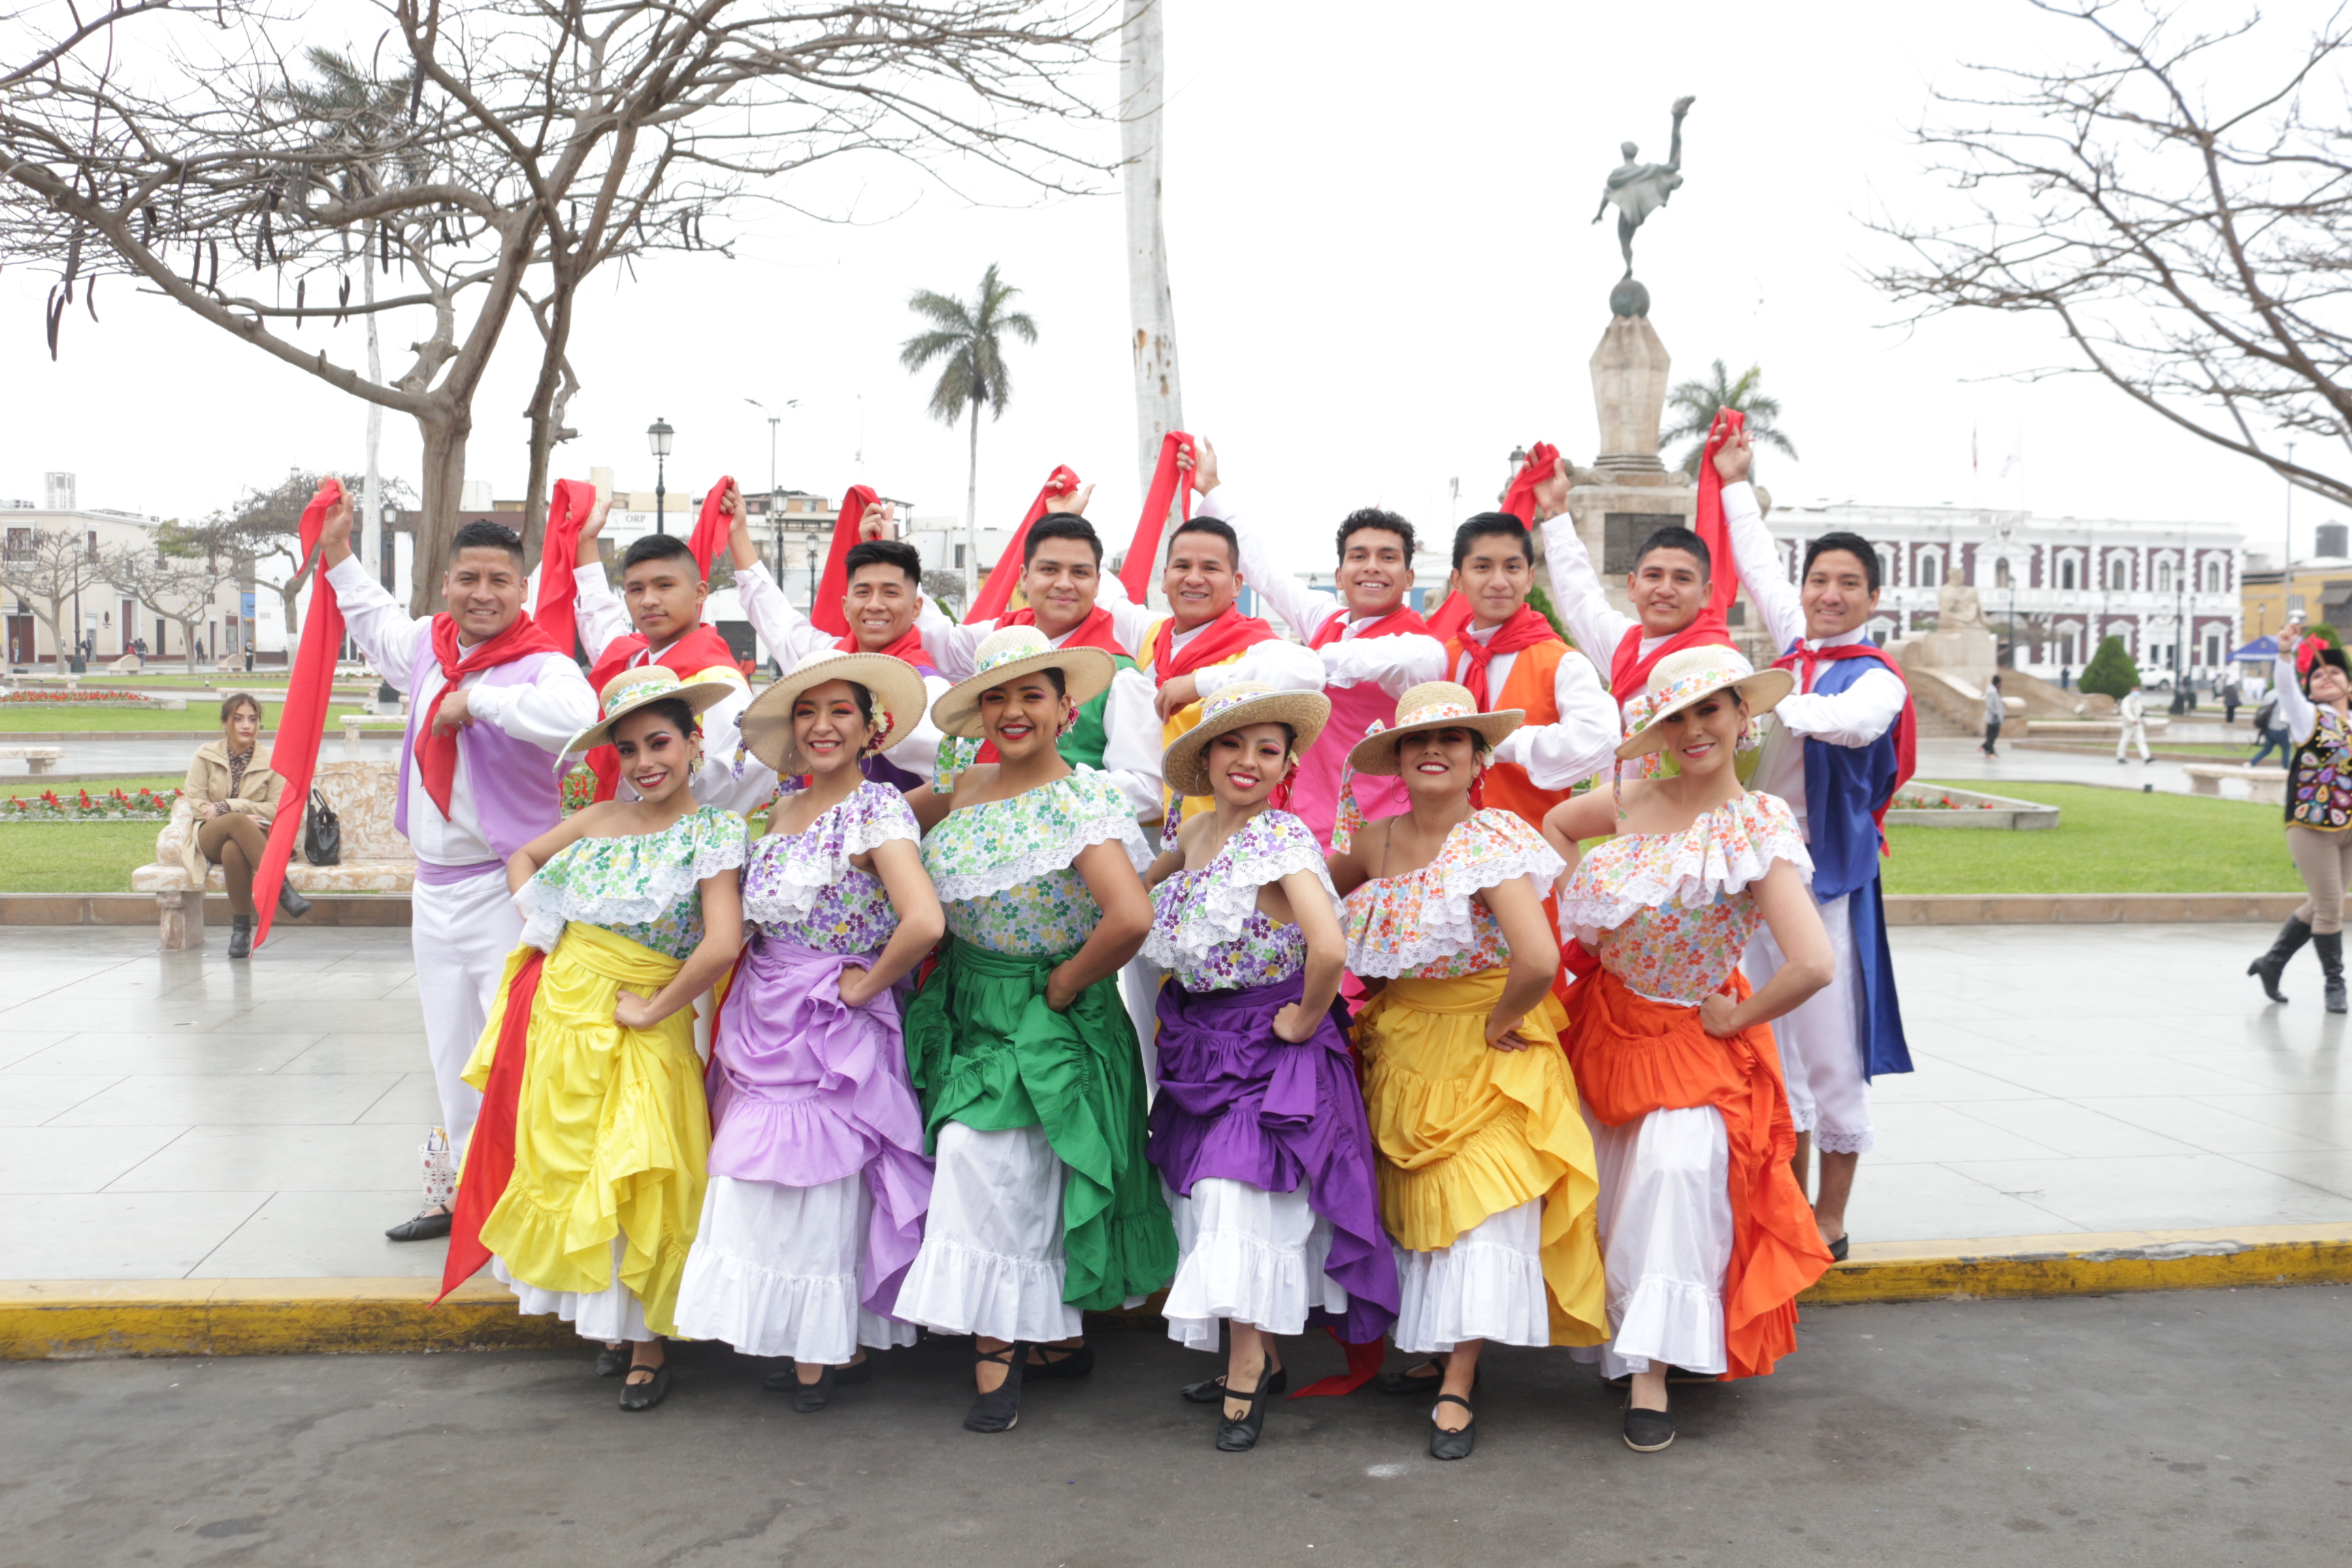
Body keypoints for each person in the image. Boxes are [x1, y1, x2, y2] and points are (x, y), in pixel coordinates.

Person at [1545, 647, 1838, 1454]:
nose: (1695, 729)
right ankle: (1622, 1338)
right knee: (1611, 1181)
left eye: (1711, 710)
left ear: (1746, 717)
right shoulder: (1629, 798)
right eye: (1676, 715)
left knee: (1674, 1177)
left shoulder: (1757, 826)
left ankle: (1650, 1375)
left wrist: (1732, 1021)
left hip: (1691, 1039)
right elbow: (1554, 826)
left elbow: (1814, 962)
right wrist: (1591, 924)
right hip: (1604, 1023)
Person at [895, 627, 1176, 1433]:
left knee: (984, 1163)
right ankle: (1045, 1338)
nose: (1013, 711)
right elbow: (871, 837)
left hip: (1046, 1012)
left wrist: (1059, 988)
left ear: (1065, 707)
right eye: (996, 696)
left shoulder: (1082, 798)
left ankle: (998, 1350)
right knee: (1010, 1175)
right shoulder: (960, 781)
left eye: (1031, 694)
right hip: (963, 1003)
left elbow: (1130, 917)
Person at [1329, 682, 1605, 1463]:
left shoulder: (1490, 839)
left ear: (1478, 757)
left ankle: (1459, 1376)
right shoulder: (1372, 843)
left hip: (1491, 1047)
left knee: (1482, 1211)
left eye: (1453, 739)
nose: (1435, 751)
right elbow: (1306, 904)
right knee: (1423, 1209)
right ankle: (1432, 1348)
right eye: (1419, 741)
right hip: (1405, 1044)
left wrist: (1497, 1021)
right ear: (1397, 758)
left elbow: (1540, 958)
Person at [456, 666, 745, 1409]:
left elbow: (721, 942)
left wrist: (656, 1009)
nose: (646, 762)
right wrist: (544, 924)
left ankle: (650, 1341)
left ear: (693, 742)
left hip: (646, 1015)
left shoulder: (713, 830)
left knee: (646, 1165)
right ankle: (609, 1325)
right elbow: (523, 857)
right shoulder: (595, 821)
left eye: (660, 743)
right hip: (564, 1013)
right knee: (578, 1160)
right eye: (629, 750)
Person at [321, 493, 600, 1243]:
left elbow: (580, 720)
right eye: (469, 579)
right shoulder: (426, 645)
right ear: (446, 583)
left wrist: (479, 702)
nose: (483, 595)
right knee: (448, 1053)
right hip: (433, 888)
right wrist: (341, 552)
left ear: (521, 590)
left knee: (517, 1053)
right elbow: (373, 622)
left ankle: (528, 1202)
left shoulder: (543, 663)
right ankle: (459, 1197)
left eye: (499, 582)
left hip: (506, 887)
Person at [672, 649, 943, 1409]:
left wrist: (864, 985)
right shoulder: (777, 810)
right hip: (762, 1013)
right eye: (807, 712)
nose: (822, 726)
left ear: (869, 727)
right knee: (756, 1177)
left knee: (824, 1184)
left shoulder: (877, 808)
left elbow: (922, 921)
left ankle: (824, 1348)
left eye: (840, 712)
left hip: (831, 1023)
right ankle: (789, 1331)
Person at [1142, 685, 1398, 1452]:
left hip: (1269, 1049)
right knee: (1201, 1197)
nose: (1249, 762)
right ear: (1208, 756)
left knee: (1234, 1197)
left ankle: (1247, 1366)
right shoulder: (1192, 833)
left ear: (1287, 764)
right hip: (1199, 1041)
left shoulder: (1282, 838)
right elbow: (1136, 895)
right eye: (1233, 745)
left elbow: (1328, 945)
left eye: (1268, 749)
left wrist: (1306, 1019)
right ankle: (1266, 1354)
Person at [1722, 461, 1916, 1259]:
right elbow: (1757, 561)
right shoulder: (1794, 652)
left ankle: (1830, 1221)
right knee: (1773, 1052)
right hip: (1755, 876)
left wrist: (1753, 701)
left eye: (1849, 584)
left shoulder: (1876, 683)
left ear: (1873, 600)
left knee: (1830, 1055)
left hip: (1827, 881)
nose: (1829, 594)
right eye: (1819, 580)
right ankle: (1787, 1209)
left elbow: (1850, 726)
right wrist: (1735, 484)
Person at [1181, 440, 1446, 849]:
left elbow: (1330, 664)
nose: (1372, 566)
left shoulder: (1421, 650)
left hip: (1374, 837)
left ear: (1409, 578)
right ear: (1340, 575)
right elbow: (1268, 575)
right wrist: (1213, 488)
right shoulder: (1329, 621)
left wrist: (1204, 681)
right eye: (1359, 556)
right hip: (1295, 822)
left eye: (1388, 557)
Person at [913, 497, 1164, 822]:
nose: (1064, 583)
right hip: (978, 829)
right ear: (1024, 578)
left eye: (1079, 572)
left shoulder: (1120, 675)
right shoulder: (997, 638)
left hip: (1070, 853)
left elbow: (1146, 791)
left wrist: (1034, 798)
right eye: (1049, 569)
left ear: (1098, 583)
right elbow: (933, 635)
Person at [723, 483, 951, 793]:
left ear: (916, 609)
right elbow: (777, 620)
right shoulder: (827, 661)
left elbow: (954, 774)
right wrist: (737, 534)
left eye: (890, 592)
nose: (874, 604)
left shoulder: (928, 691)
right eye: (863, 592)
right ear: (846, 607)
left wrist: (883, 818)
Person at [1539, 452, 1742, 770]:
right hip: (1612, 815)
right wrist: (1554, 510)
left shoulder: (1721, 661)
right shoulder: (1626, 645)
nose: (1665, 589)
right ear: (1633, 586)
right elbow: (1580, 596)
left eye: (1682, 579)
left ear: (1706, 595)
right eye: (1654, 576)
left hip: (1686, 818)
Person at [571, 502, 768, 813]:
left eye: (664, 586)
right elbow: (599, 623)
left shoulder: (718, 681)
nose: (649, 600)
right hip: (630, 833)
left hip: (692, 841)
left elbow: (745, 772)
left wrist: (662, 815)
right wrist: (585, 543)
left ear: (700, 593)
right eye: (636, 590)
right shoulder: (632, 659)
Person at [1433, 503, 1618, 829]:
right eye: (1483, 567)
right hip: (1443, 852)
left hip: (1530, 855)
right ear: (1458, 580)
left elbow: (1600, 738)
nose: (1499, 581)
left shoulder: (1561, 662)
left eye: (1513, 568)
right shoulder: (1441, 660)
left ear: (1530, 578)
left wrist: (1501, 744)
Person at [2249, 628, 2352, 1013]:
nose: (2326, 678)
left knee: (2326, 901)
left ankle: (2271, 964)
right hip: (2312, 825)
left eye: (2335, 674)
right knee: (2330, 907)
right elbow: (2287, 688)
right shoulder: (2308, 717)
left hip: (2350, 828)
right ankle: (2335, 985)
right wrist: (2286, 653)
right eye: (2319, 677)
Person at [179, 691, 311, 958]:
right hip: (209, 834)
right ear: (226, 722)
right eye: (238, 719)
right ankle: (281, 889)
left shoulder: (273, 761)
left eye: (253, 719)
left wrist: (232, 807)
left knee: (234, 850)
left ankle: (241, 933)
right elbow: (195, 800)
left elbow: (275, 809)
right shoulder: (205, 755)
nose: (246, 726)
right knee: (235, 826)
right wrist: (231, 815)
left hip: (254, 837)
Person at [2251, 687, 2290, 768]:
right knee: (2286, 748)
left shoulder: (2269, 694)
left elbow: (2263, 709)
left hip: (2269, 727)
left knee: (2267, 749)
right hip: (2280, 727)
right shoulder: (2286, 696)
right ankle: (2286, 767)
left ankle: (2252, 762)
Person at [2117, 679, 2152, 764]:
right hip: (2129, 724)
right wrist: (2133, 720)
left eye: (2138, 690)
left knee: (2141, 741)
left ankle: (2147, 757)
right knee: (2125, 740)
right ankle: (2120, 757)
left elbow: (2139, 711)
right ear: (2131, 690)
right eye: (2135, 690)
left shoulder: (2138, 700)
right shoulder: (2127, 700)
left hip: (2138, 724)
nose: (2137, 692)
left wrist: (2142, 716)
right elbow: (2125, 711)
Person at [1981, 674, 2004, 756]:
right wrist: (1995, 714)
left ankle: (1989, 749)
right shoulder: (1992, 692)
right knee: (1992, 735)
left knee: (1993, 735)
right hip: (1993, 718)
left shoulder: (1995, 692)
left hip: (1996, 718)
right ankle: (1986, 747)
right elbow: (1989, 705)